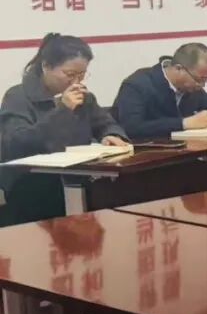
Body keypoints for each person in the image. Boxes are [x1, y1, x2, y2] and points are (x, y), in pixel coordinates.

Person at [0, 34, 128, 226]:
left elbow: (106, 123)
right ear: (46, 66)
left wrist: (111, 135)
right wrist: (63, 110)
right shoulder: (18, 97)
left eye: (82, 74)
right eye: (69, 74)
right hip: (32, 186)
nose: (76, 81)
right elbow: (18, 143)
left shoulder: (84, 96)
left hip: (80, 179)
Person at [113, 43, 207, 140]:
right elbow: (132, 128)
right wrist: (184, 123)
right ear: (179, 69)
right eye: (199, 79)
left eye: (206, 80)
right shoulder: (137, 85)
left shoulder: (193, 88)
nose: (201, 85)